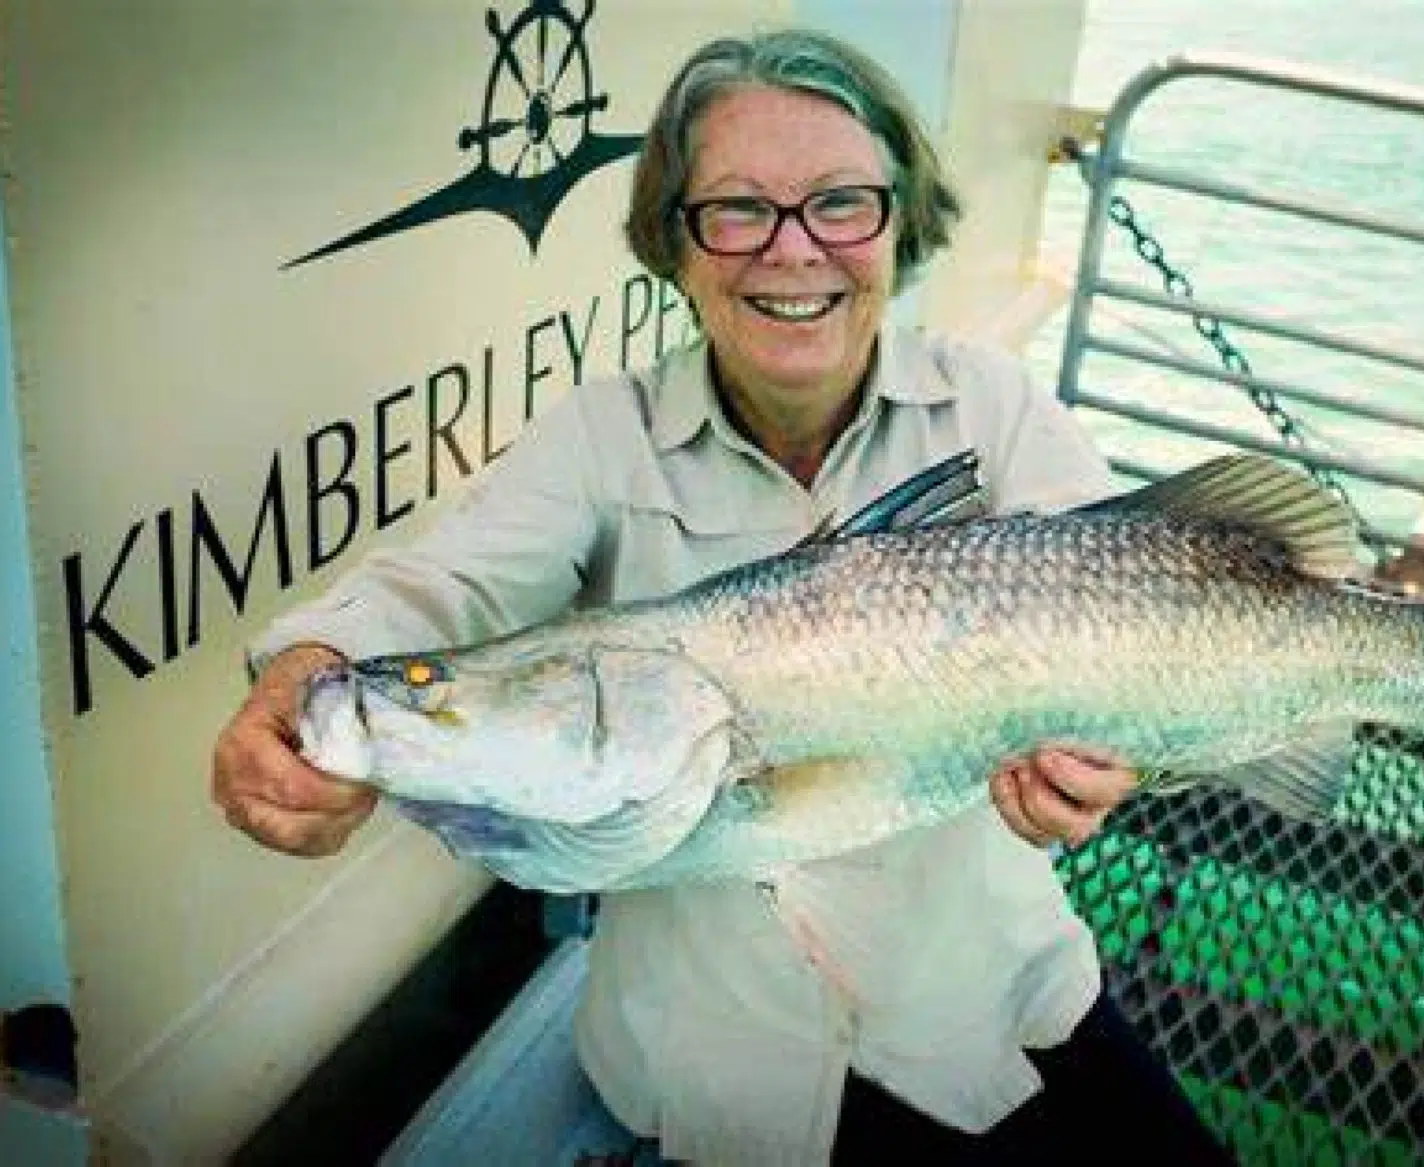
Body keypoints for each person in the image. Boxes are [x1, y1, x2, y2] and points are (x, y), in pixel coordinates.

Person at [212, 27, 1238, 1167]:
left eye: (841, 203)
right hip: (711, 1078)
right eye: (737, 210)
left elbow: (1145, 605)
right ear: (677, 243)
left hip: (997, 1018)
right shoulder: (602, 436)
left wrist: (1105, 764)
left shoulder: (989, 407)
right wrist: (308, 676)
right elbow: (443, 583)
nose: (791, 252)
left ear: (900, 224)